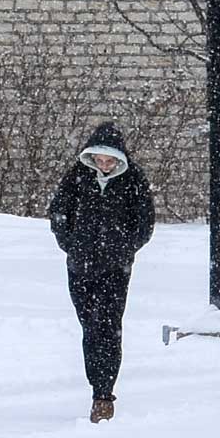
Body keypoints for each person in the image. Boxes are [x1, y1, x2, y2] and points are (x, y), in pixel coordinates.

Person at [45, 119, 157, 422]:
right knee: (90, 327)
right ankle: (97, 382)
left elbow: (145, 222)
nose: (104, 165)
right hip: (80, 265)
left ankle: (103, 394)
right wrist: (70, 243)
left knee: (107, 327)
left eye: (109, 160)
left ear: (119, 158)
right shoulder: (78, 177)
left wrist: (125, 248)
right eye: (99, 159)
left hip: (115, 268)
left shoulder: (133, 180)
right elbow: (58, 212)